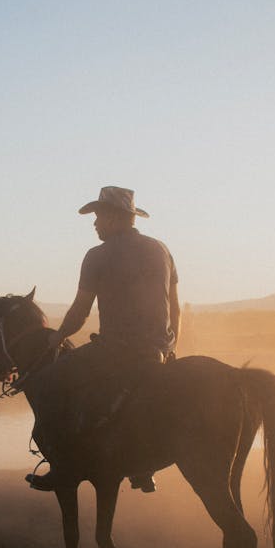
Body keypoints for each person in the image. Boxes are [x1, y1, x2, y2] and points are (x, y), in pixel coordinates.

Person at [25, 186, 180, 493]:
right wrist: (171, 346)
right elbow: (175, 306)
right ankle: (141, 468)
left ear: (112, 217)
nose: (94, 223)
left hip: (116, 351)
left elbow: (80, 312)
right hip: (158, 350)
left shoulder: (97, 255)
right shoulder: (161, 249)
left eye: (97, 216)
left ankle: (62, 467)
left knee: (45, 385)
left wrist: (56, 337)